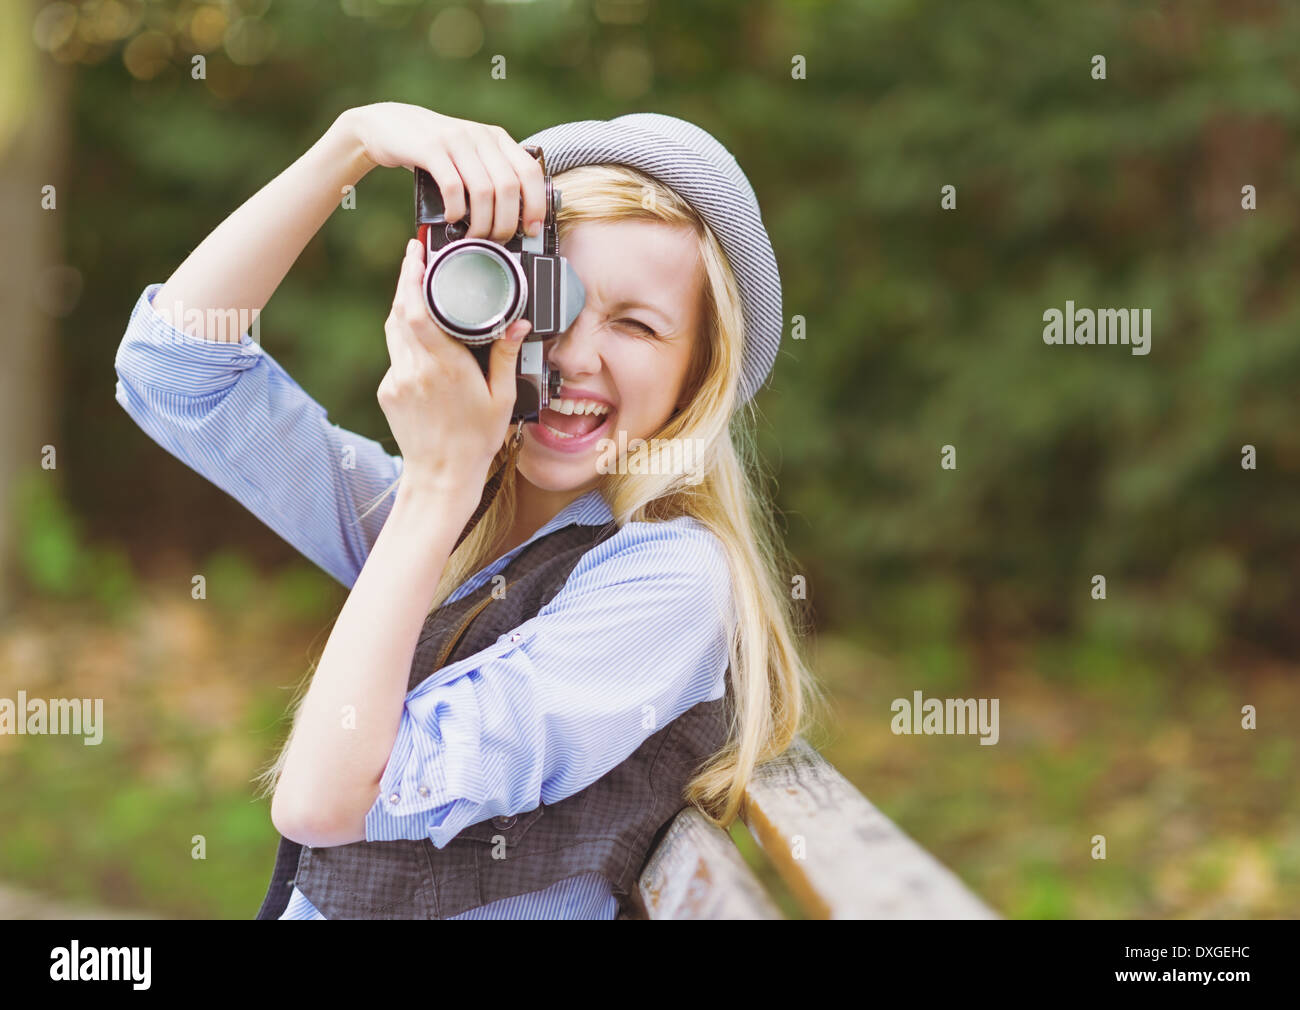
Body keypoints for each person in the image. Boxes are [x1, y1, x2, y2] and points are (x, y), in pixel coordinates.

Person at [113, 102, 824, 919]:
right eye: (551, 300)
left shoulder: (670, 575)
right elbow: (175, 370)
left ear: (699, 379)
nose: (571, 355)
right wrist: (348, 144)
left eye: (636, 325)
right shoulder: (451, 520)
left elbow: (324, 802)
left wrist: (437, 484)